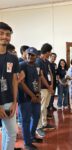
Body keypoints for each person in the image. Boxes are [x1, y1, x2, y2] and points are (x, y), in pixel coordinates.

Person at [0, 22, 19, 150]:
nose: (5, 37)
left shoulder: (13, 58)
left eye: (8, 34)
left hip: (8, 101)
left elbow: (14, 81)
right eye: (1, 33)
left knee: (11, 133)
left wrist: (14, 102)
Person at [19, 47, 42, 150]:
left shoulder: (37, 66)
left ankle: (32, 136)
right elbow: (21, 83)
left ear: (36, 56)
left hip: (35, 96)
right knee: (26, 120)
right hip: (24, 98)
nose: (30, 56)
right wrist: (32, 96)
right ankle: (27, 143)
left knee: (36, 116)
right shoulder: (21, 65)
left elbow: (38, 80)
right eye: (28, 54)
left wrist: (38, 93)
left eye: (32, 55)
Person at [36, 43, 55, 138]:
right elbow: (41, 75)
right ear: (46, 52)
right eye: (50, 52)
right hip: (43, 88)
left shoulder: (46, 61)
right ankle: (38, 127)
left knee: (45, 107)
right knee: (41, 108)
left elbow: (50, 73)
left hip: (49, 87)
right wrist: (49, 87)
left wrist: (52, 84)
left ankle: (44, 123)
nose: (50, 53)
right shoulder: (38, 61)